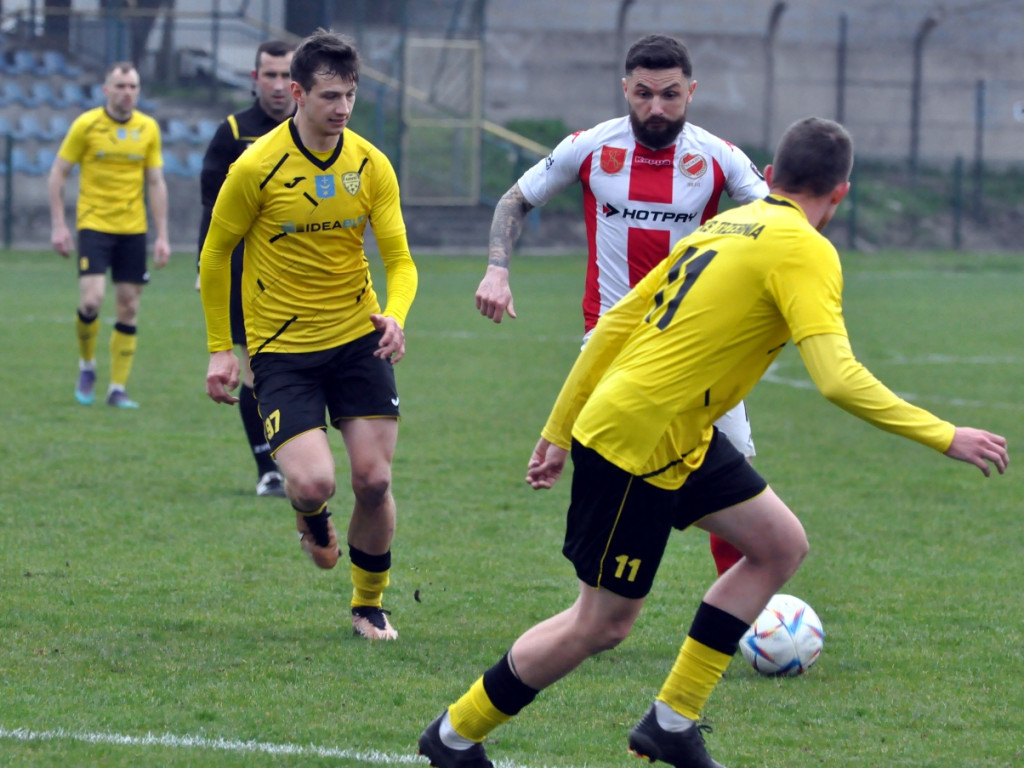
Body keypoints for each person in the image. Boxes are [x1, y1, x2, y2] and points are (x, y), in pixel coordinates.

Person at [418, 117, 1008, 768]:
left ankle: (672, 722)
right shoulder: (807, 250)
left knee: (779, 545)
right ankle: (454, 735)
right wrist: (944, 435)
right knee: (601, 625)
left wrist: (557, 431)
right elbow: (838, 380)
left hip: (676, 432)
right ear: (841, 193)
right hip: (636, 441)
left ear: (771, 176)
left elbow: (614, 325)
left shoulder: (721, 228)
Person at [474, 34, 764, 577]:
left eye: (671, 95)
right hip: (613, 343)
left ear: (691, 92)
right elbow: (516, 199)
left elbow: (777, 222)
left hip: (699, 342)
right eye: (644, 93)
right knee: (613, 477)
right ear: (625, 87)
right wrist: (497, 269)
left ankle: (739, 620)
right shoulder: (589, 147)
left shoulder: (719, 158)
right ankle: (596, 605)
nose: (656, 108)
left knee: (739, 480)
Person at [200, 30, 418, 641]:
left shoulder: (370, 163)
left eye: (350, 95)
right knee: (314, 480)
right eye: (329, 96)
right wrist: (222, 346)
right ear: (297, 92)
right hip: (283, 350)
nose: (342, 108)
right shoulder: (256, 166)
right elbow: (216, 254)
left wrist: (396, 313)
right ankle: (310, 515)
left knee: (374, 481)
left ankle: (369, 604)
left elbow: (399, 259)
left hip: (357, 337)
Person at [196, 39, 296, 498]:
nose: (278, 85)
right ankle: (269, 468)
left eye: (285, 75)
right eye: (269, 75)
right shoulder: (233, 132)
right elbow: (212, 210)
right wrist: (205, 263)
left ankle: (300, 453)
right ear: (255, 78)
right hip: (245, 272)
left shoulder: (313, 129)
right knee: (256, 368)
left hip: (301, 271)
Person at [49, 61, 171, 409]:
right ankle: (87, 365)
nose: (127, 92)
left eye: (132, 86)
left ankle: (117, 388)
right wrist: (59, 225)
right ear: (106, 90)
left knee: (129, 306)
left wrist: (162, 235)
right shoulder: (86, 125)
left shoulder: (148, 128)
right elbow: (57, 174)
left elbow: (156, 181)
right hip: (94, 224)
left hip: (133, 229)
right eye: (120, 86)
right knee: (91, 300)